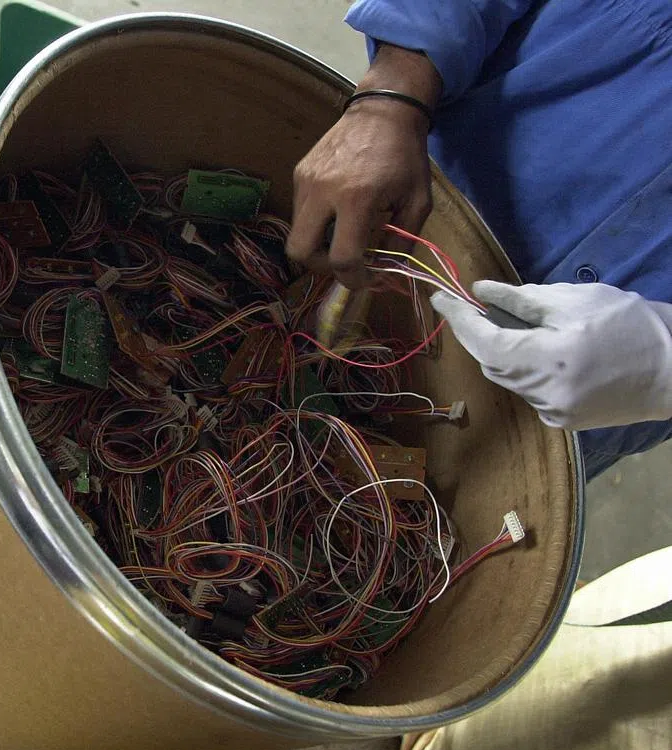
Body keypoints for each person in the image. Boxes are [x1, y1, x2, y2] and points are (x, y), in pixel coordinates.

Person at [285, 0, 672, 478]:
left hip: (588, 403)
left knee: (427, 502)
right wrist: (393, 95)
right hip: (426, 179)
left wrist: (663, 362)